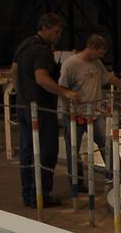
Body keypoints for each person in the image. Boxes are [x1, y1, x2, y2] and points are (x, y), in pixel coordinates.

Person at [11, 13, 80, 208]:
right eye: (56, 32)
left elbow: (14, 72)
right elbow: (42, 78)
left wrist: (21, 95)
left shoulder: (24, 45)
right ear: (45, 28)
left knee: (27, 150)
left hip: (24, 106)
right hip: (41, 108)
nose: (58, 36)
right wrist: (65, 92)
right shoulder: (42, 51)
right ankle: (40, 195)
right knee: (46, 151)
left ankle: (28, 193)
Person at [59, 34, 121, 185]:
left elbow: (109, 78)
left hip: (95, 113)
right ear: (92, 48)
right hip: (75, 114)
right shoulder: (71, 64)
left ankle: (115, 175)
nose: (102, 56)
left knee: (107, 144)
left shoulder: (97, 63)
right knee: (73, 148)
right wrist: (69, 111)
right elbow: (62, 88)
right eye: (100, 52)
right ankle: (77, 182)